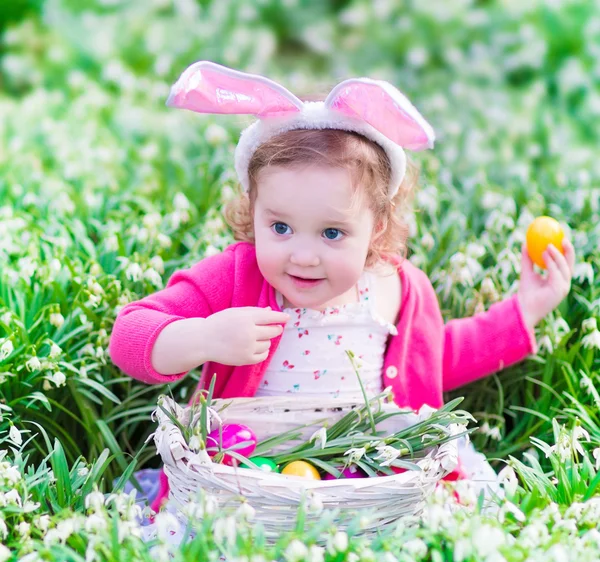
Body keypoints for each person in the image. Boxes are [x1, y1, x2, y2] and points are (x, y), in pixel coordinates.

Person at [108, 61, 576, 512]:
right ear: (254, 209)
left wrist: (525, 310)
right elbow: (129, 335)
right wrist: (206, 337)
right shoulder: (237, 276)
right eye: (281, 228)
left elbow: (434, 360)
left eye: (332, 233)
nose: (304, 255)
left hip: (367, 479)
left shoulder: (396, 289)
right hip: (248, 483)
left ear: (376, 227)